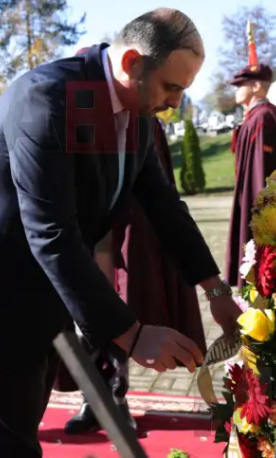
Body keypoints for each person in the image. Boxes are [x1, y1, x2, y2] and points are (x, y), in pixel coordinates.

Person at [0, 10, 242, 458]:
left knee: (23, 429)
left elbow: (163, 204)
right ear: (133, 62)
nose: (175, 103)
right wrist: (132, 334)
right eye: (171, 87)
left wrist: (216, 291)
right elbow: (51, 232)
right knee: (8, 447)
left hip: (50, 290)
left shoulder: (134, 109)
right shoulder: (49, 99)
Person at [57, 97, 208, 437]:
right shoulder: (74, 116)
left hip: (127, 233)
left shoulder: (143, 121)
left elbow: (159, 193)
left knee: (121, 313)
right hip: (82, 237)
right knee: (83, 315)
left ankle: (116, 396)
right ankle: (91, 399)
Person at [224, 38, 276, 287]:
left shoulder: (262, 118)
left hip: (261, 211)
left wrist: (257, 216)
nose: (235, 90)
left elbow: (260, 171)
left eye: (240, 85)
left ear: (256, 86)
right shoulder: (255, 117)